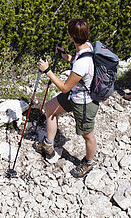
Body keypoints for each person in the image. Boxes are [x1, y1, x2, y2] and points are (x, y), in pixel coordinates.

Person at [35, 17, 99, 178]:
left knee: (87, 135)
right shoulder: (87, 47)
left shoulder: (81, 64)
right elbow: (77, 61)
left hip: (84, 102)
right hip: (75, 95)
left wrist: (47, 70)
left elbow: (64, 87)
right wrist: (65, 56)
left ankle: (88, 163)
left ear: (71, 37)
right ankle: (48, 146)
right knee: (49, 108)